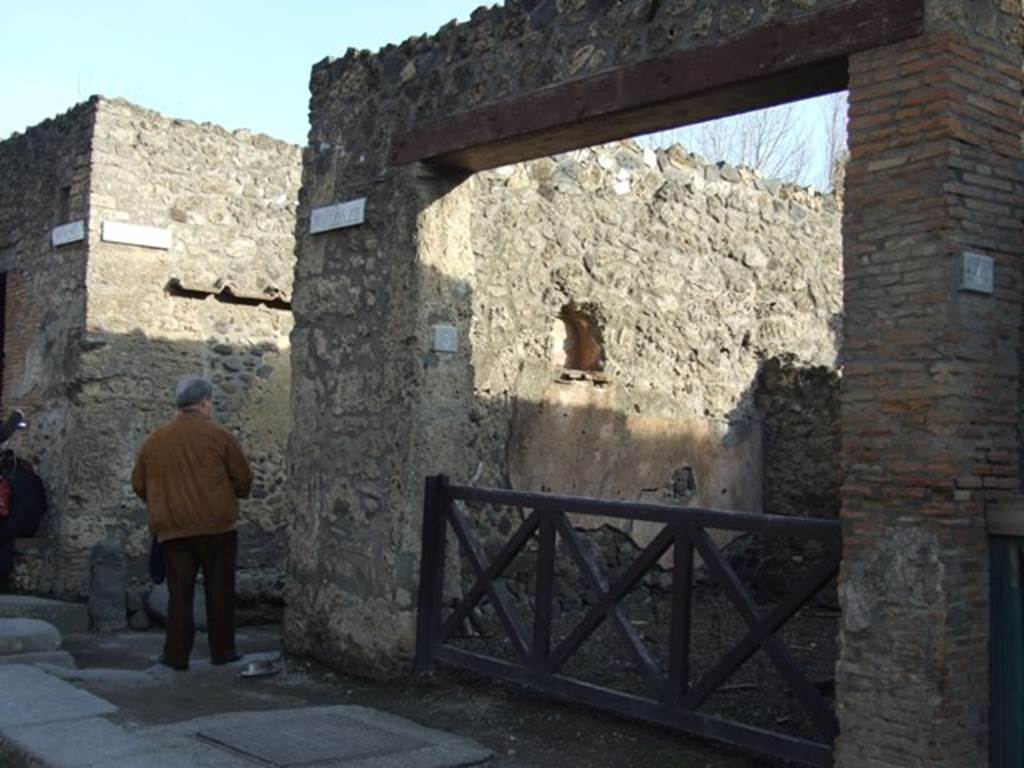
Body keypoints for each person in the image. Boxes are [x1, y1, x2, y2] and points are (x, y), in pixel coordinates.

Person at [132, 376, 253, 671]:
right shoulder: (220, 436)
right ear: (203, 402)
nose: (211, 406)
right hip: (217, 528)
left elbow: (139, 484)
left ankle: (176, 656)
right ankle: (223, 651)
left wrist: (164, 502)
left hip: (173, 530)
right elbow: (243, 481)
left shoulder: (154, 441)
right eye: (210, 402)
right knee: (220, 591)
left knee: (179, 596)